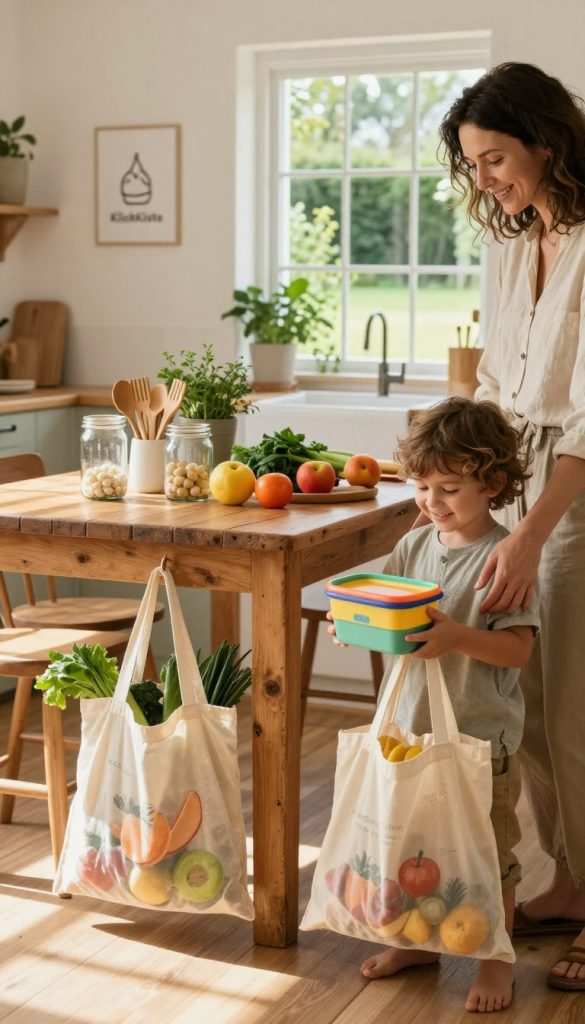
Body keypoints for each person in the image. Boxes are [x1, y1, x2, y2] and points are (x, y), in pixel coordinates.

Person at [438, 62, 585, 993]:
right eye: (474, 166)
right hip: (516, 477)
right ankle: (563, 881)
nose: (486, 179)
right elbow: (495, 382)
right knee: (525, 707)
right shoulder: (510, 243)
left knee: (570, 709)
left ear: (547, 139)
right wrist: (461, 472)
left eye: (496, 158)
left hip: (571, 489)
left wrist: (529, 533)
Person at [329, 397, 539, 1012]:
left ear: (493, 483)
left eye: (450, 488)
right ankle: (418, 941)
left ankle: (495, 959)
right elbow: (386, 611)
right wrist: (357, 626)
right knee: (413, 841)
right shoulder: (417, 545)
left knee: (483, 853)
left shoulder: (503, 559)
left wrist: (454, 637)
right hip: (410, 731)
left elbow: (517, 652)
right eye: (422, 486)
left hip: (480, 738)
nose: (432, 502)